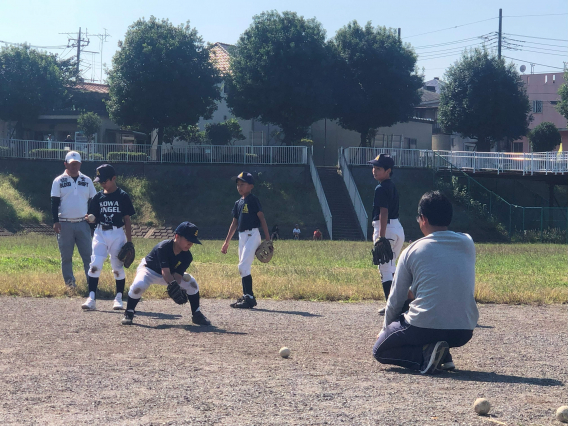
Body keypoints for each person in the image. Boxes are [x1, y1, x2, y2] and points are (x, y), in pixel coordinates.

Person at [372, 191, 479, 374]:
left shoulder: (412, 250)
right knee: (418, 297)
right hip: (463, 330)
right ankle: (443, 354)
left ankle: (425, 355)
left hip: (425, 327)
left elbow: (396, 299)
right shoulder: (468, 242)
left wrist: (386, 330)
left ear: (423, 219)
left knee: (380, 350)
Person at [121, 221, 211, 326]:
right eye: (188, 240)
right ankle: (129, 312)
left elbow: (178, 275)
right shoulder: (163, 247)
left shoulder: (187, 256)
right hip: (149, 270)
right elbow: (165, 272)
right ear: (177, 236)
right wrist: (173, 285)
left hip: (170, 275)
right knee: (138, 286)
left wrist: (176, 287)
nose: (190, 243)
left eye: (192, 241)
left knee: (192, 283)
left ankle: (196, 314)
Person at [81, 164, 135, 311]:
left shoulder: (122, 196)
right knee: (95, 265)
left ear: (114, 178)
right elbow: (92, 216)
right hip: (100, 233)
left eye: (105, 180)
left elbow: (127, 219)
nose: (102, 183)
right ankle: (91, 298)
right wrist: (91, 219)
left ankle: (118, 298)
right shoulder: (98, 197)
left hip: (117, 233)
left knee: (117, 267)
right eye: (100, 181)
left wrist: (129, 242)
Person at [221, 172, 270, 309]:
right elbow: (234, 223)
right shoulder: (238, 203)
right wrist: (226, 242)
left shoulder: (253, 200)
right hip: (242, 236)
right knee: (244, 268)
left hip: (253, 235)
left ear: (251, 186)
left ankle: (249, 297)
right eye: (238, 184)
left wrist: (268, 239)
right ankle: (247, 297)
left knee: (242, 266)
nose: (239, 187)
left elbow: (262, 218)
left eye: (242, 184)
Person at [50, 151, 96, 288]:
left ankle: (91, 284)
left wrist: (93, 216)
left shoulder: (87, 181)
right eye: (71, 164)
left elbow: (94, 200)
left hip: (83, 223)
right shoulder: (58, 181)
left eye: (76, 164)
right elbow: (54, 202)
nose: (74, 166)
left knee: (88, 256)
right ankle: (70, 284)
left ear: (80, 164)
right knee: (66, 257)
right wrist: (55, 221)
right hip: (64, 223)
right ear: (65, 164)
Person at [369, 154, 404, 316]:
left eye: (379, 168)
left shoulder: (381, 188)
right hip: (397, 228)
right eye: (374, 167)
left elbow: (384, 212)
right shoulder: (392, 186)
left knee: (385, 269)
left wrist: (381, 238)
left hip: (387, 228)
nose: (374, 171)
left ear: (388, 171)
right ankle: (402, 302)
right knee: (392, 268)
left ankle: (393, 307)